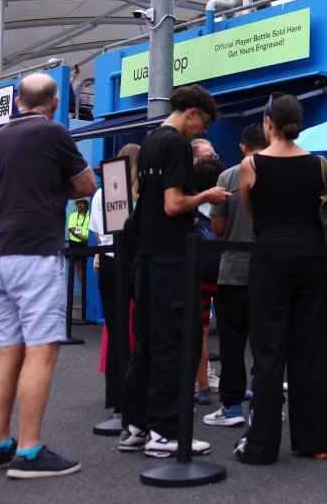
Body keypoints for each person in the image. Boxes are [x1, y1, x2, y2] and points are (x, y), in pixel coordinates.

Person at [0, 72, 96, 477]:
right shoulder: (54, 132)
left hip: (0, 254)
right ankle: (29, 451)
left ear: (17, 102)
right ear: (55, 103)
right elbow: (87, 184)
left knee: (8, 350)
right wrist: (55, 188)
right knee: (41, 350)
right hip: (36, 252)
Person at [235, 92, 327, 464]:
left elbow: (253, 213)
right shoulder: (320, 165)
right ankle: (318, 440)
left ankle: (261, 446)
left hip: (270, 255)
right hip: (310, 257)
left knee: (268, 350)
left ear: (268, 122)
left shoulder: (251, 164)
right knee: (312, 348)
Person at [118, 85, 230, 459]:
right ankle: (164, 433)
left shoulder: (150, 141)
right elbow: (174, 204)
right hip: (171, 256)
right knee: (173, 343)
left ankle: (135, 426)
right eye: (205, 122)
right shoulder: (178, 145)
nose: (205, 130)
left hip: (147, 256)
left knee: (147, 342)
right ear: (192, 112)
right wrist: (208, 196)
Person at [205, 123, 266, 428]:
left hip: (233, 270)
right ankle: (267, 407)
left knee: (232, 341)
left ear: (242, 147)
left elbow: (217, 229)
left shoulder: (228, 176)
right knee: (267, 342)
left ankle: (231, 408)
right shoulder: (281, 174)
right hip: (271, 271)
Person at [90, 143, 140, 421]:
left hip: (108, 261)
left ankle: (116, 395)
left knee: (115, 328)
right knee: (143, 327)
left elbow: (97, 234)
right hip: (135, 261)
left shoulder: (102, 192)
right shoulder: (143, 192)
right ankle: (137, 391)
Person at [193, 156, 226, 406]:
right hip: (226, 272)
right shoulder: (227, 200)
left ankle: (203, 388)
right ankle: (232, 386)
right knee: (231, 331)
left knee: (201, 331)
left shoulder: (191, 202)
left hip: (198, 273)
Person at [66, 197, 90, 289]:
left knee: (89, 265)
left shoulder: (91, 214)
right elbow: (72, 229)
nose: (79, 205)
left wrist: (88, 240)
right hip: (75, 242)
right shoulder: (73, 216)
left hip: (89, 242)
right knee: (79, 265)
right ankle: (85, 287)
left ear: (86, 204)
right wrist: (83, 238)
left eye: (81, 203)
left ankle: (90, 288)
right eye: (78, 203)